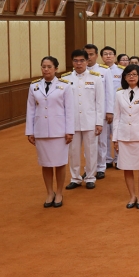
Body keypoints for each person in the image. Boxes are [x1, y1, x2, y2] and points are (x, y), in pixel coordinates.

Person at [26, 56, 74, 208]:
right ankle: (49, 192)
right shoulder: (34, 86)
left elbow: (70, 110)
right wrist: (30, 131)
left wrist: (69, 131)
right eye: (43, 66)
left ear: (56, 69)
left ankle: (59, 192)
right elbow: (30, 110)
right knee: (45, 164)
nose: (46, 69)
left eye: (49, 66)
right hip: (41, 130)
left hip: (59, 131)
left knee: (59, 163)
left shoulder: (64, 86)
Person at [112, 65, 139, 209]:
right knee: (127, 168)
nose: (131, 77)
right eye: (129, 74)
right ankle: (132, 196)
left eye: (134, 74)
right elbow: (117, 117)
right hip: (124, 137)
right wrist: (115, 138)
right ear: (124, 77)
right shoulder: (119, 94)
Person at [62, 49, 104, 190]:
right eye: (75, 61)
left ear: (87, 61)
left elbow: (100, 102)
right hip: (72, 122)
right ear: (72, 62)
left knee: (91, 151)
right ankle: (75, 178)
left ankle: (90, 177)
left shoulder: (96, 78)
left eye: (81, 60)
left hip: (90, 121)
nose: (78, 63)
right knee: (73, 152)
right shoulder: (66, 79)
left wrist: (99, 122)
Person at [85, 44, 114, 180]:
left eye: (91, 54)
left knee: (101, 141)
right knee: (88, 142)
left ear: (96, 55)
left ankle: (101, 167)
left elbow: (109, 92)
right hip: (85, 112)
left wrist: (109, 111)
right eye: (87, 54)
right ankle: (90, 167)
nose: (89, 57)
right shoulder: (79, 71)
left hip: (101, 111)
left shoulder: (104, 70)